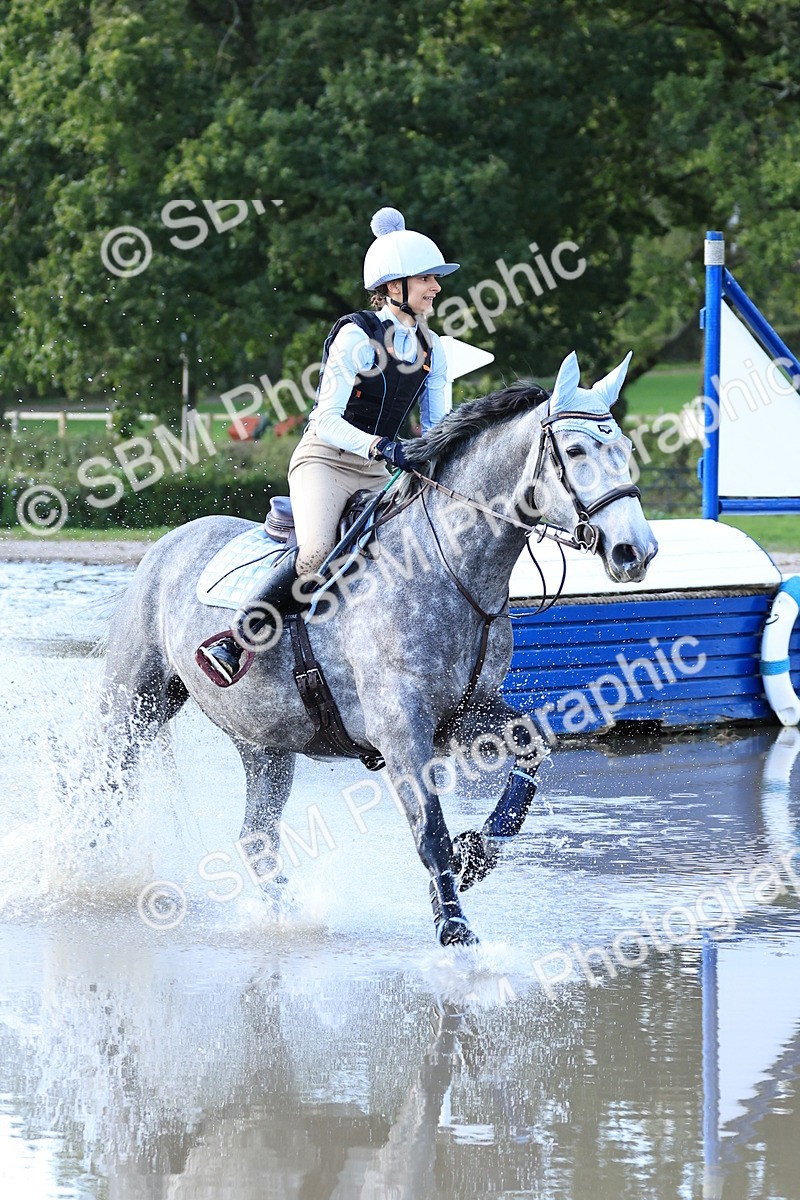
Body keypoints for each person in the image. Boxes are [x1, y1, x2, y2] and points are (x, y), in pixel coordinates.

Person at [201, 206, 459, 682]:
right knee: (317, 552)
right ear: (395, 285)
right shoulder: (356, 336)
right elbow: (326, 420)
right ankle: (238, 640)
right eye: (427, 279)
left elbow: (436, 424)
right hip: (326, 460)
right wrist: (382, 446)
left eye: (435, 280)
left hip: (382, 468)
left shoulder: (433, 347)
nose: (436, 288)